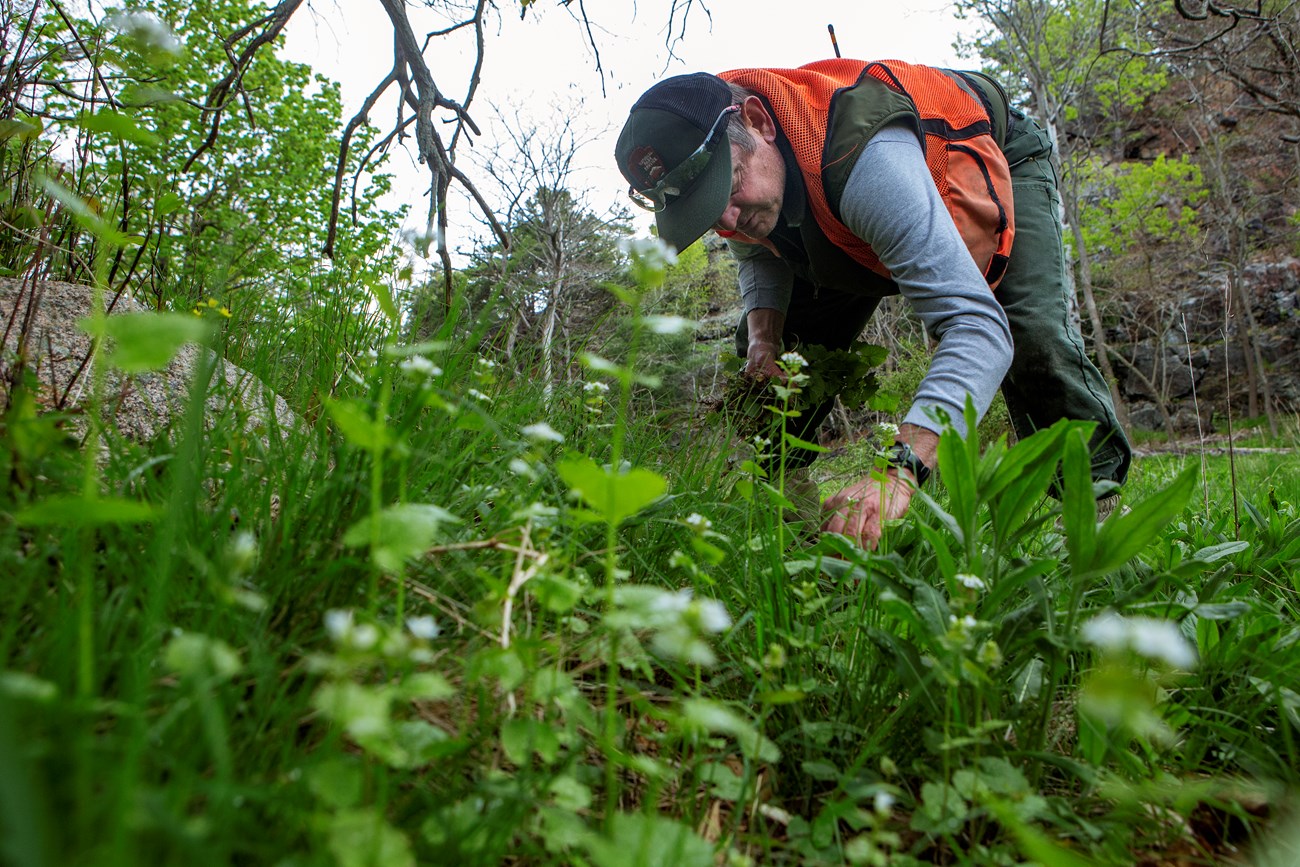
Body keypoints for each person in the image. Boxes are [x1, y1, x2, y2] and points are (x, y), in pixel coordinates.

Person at [614, 59, 1131, 549]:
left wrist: (899, 472)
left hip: (981, 153)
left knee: (1030, 334)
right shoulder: (738, 164)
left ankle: (1099, 514)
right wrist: (763, 338)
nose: (726, 220)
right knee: (777, 365)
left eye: (728, 188)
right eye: (707, 212)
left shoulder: (866, 162)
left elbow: (977, 328)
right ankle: (795, 532)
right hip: (837, 215)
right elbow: (756, 250)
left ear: (759, 122)